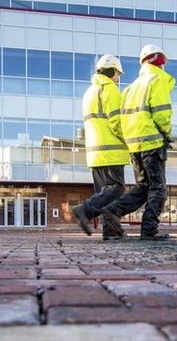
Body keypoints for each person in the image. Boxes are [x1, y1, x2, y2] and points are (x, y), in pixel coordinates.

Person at [100, 44, 175, 241]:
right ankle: (149, 231)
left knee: (143, 188)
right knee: (158, 188)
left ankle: (112, 211)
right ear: (159, 61)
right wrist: (166, 134)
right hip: (152, 143)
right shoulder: (156, 79)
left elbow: (122, 119)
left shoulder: (130, 87)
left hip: (134, 146)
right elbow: (162, 114)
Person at [72, 54, 129, 240]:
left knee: (105, 195)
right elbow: (115, 122)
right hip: (110, 151)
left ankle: (111, 232)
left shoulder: (89, 92)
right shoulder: (109, 89)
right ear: (111, 71)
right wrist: (129, 140)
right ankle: (85, 210)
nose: (118, 79)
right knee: (117, 188)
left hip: (95, 153)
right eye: (118, 74)